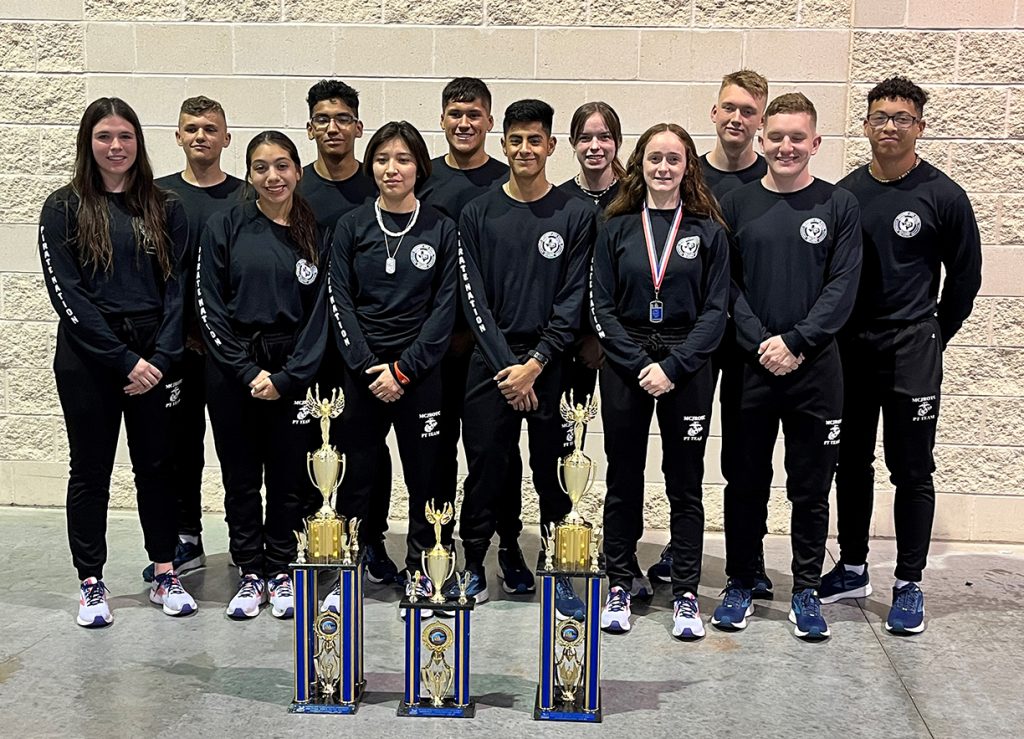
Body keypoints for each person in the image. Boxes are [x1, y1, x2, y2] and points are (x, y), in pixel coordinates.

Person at [826, 77, 982, 634]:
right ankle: (851, 567)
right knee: (850, 462)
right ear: (865, 125)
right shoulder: (844, 195)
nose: (889, 126)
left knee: (911, 468)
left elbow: (965, 280)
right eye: (879, 116)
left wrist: (935, 332)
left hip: (913, 348)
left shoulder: (944, 195)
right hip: (851, 348)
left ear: (920, 125)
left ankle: (909, 582)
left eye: (901, 117)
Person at [39, 97, 196, 627]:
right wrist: (123, 360)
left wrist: (158, 358)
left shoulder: (165, 206)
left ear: (138, 142)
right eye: (105, 136)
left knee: (157, 467)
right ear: (89, 143)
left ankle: (165, 570)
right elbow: (69, 296)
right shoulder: (62, 208)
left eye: (125, 136)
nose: (115, 147)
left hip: (153, 359)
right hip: (91, 359)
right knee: (90, 469)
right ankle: (91, 581)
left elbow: (178, 291)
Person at [711, 93, 862, 641]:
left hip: (816, 370)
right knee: (744, 481)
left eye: (797, 137)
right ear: (761, 139)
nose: (785, 146)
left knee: (810, 487)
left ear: (815, 143)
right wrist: (761, 342)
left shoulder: (839, 206)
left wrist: (796, 341)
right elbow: (727, 287)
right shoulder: (736, 203)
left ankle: (804, 587)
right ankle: (740, 579)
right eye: (775, 136)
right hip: (752, 368)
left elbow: (843, 287)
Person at [456, 99, 596, 615]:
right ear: (503, 145)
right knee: (488, 466)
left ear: (551, 146)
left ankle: (558, 570)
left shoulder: (575, 214)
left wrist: (535, 364)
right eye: (515, 140)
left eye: (534, 140)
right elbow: (472, 298)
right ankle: (477, 560)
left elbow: (573, 300)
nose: (524, 149)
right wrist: (508, 368)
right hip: (491, 364)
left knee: (554, 471)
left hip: (550, 366)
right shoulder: (478, 213)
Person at [591, 123, 729, 640]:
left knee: (685, 481)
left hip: (687, 363)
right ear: (640, 164)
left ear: (688, 165)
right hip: (626, 359)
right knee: (622, 477)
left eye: (674, 159)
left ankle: (687, 591)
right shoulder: (616, 228)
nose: (664, 168)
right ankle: (620, 580)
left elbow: (716, 312)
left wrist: (673, 366)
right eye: (654, 159)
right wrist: (634, 361)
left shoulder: (707, 232)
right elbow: (600, 306)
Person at [649, 70, 774, 593]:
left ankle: (750, 558)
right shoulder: (687, 175)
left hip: (749, 344)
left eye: (749, 110)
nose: (737, 118)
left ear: (760, 121)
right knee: (686, 455)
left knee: (747, 458)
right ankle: (683, 548)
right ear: (714, 113)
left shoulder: (774, 178)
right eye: (730, 108)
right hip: (692, 344)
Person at [325, 121, 457, 615]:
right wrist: (367, 367)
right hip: (362, 374)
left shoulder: (441, 227)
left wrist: (403, 371)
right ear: (371, 165)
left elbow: (445, 311)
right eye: (382, 159)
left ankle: (425, 568)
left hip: (419, 376)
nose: (391, 168)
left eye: (402, 159)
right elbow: (338, 301)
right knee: (357, 472)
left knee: (428, 475)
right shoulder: (351, 227)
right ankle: (353, 561)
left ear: (419, 166)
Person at [197, 131, 329, 620]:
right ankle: (250, 571)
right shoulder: (225, 225)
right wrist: (248, 370)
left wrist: (290, 376)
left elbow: (322, 316)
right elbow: (209, 305)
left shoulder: (316, 230)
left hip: (293, 370)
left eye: (282, 166)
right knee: (241, 478)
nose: (272, 177)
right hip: (234, 370)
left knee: (290, 478)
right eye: (260, 167)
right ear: (249, 173)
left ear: (297, 170)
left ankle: (281, 566)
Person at [419, 78, 535, 596]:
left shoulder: (506, 179)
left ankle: (507, 547)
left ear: (491, 123)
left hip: (496, 354)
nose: (463, 122)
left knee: (497, 457)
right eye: (454, 113)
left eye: (474, 113)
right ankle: (435, 550)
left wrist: (505, 355)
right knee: (439, 457)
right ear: (441, 119)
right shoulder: (425, 183)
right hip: (437, 351)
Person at [297, 79, 399, 586]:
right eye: (322, 118)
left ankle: (371, 539)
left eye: (342, 119)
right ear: (310, 126)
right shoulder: (296, 187)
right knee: (316, 443)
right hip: (309, 343)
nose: (332, 127)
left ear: (358, 127)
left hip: (364, 347)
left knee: (367, 448)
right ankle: (316, 538)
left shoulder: (378, 185)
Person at [146, 95, 245, 583]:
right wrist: (175, 335)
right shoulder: (157, 197)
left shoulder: (249, 196)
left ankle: (245, 541)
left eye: (211, 128)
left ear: (227, 138)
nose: (201, 136)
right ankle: (186, 536)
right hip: (177, 349)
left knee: (238, 450)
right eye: (192, 128)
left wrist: (230, 341)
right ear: (178, 136)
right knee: (180, 448)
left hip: (234, 352)